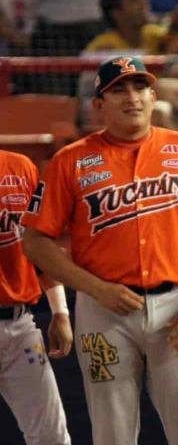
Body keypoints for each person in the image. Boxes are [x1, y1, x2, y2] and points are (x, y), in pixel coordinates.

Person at [22, 55, 178, 445]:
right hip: (104, 311)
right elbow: (35, 241)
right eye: (117, 89)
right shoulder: (70, 161)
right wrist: (93, 288)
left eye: (139, 87)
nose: (131, 97)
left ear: (153, 96)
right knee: (112, 435)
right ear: (98, 104)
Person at [0, 149, 73, 445]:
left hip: (20, 326)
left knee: (52, 437)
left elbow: (41, 246)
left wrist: (61, 311)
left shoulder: (20, 168)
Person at [85, 0, 174, 54]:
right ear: (116, 13)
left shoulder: (159, 36)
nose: (145, 3)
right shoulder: (103, 48)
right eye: (134, 0)